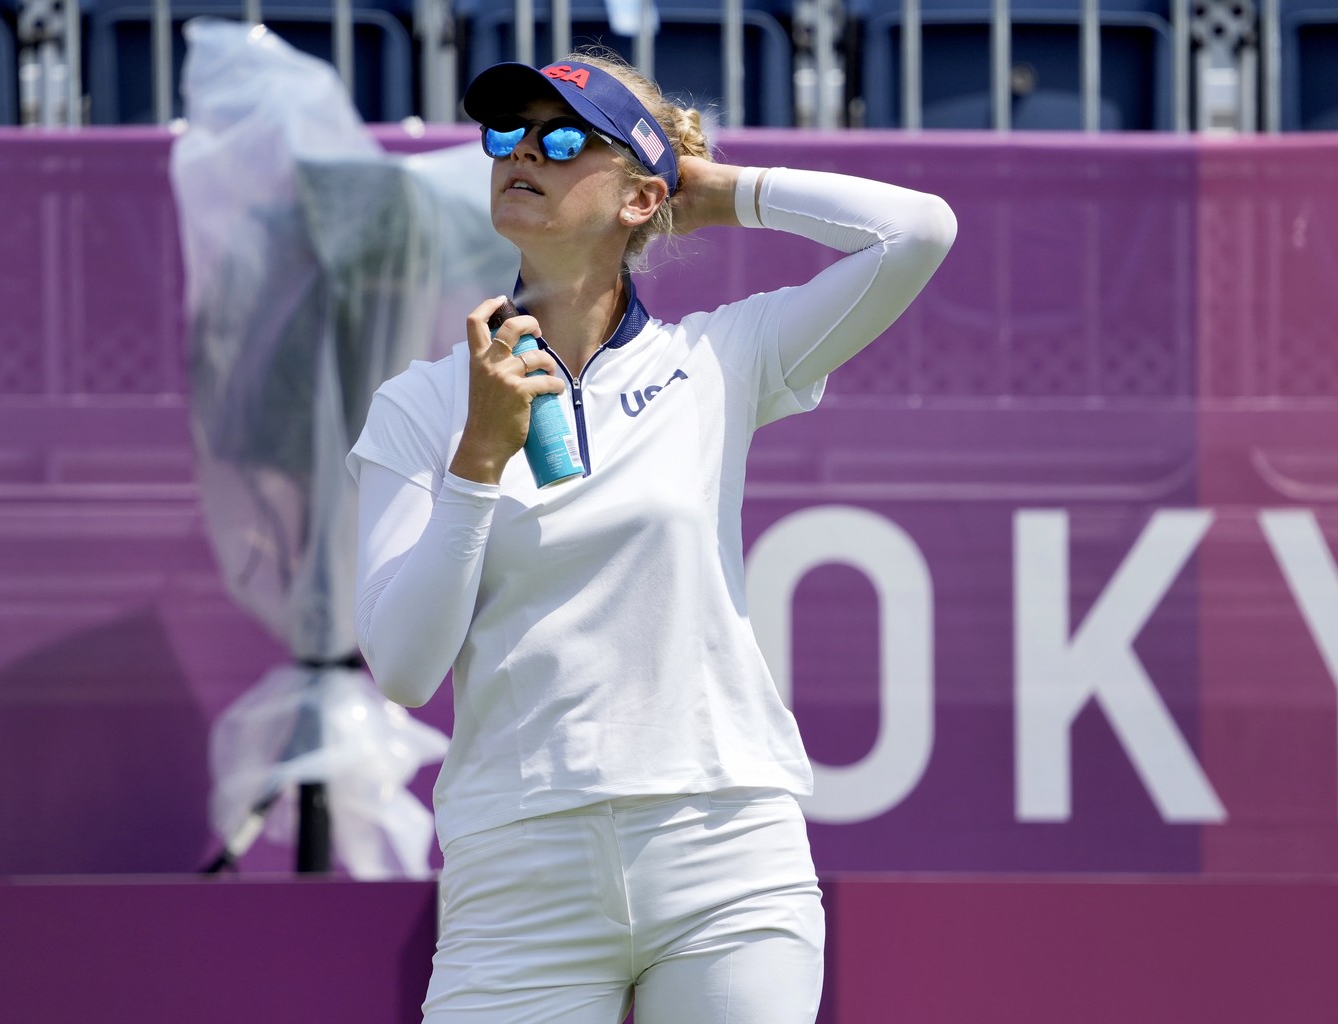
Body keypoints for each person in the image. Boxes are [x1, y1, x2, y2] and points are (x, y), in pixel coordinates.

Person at [346, 51, 956, 1024]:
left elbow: (918, 232)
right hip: (516, 875)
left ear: (639, 196)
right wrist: (476, 457)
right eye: (507, 133)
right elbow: (406, 668)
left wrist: (720, 192)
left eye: (561, 138)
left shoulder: (721, 356)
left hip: (723, 857)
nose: (521, 154)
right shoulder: (421, 405)